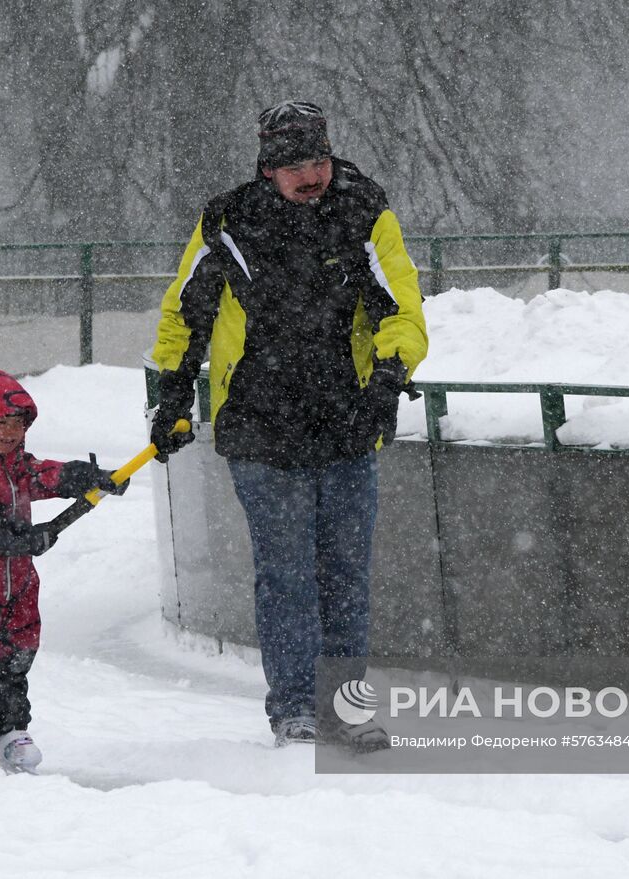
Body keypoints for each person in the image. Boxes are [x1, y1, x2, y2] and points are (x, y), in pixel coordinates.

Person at [148, 100, 428, 750]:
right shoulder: (229, 220)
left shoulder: (364, 210)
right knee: (288, 573)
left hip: (346, 423)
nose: (313, 176)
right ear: (268, 168)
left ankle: (344, 709)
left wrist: (388, 374)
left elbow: (403, 304)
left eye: (320, 160)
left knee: (345, 574)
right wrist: (173, 392)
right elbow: (184, 310)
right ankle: (296, 708)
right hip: (260, 427)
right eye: (297, 165)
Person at [0, 368, 127, 773]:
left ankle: (9, 730)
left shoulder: (15, 465)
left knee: (13, 661)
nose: (11, 433)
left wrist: (81, 476)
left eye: (19, 424)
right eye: (2, 423)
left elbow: (42, 475)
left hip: (14, 585)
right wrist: (19, 537)